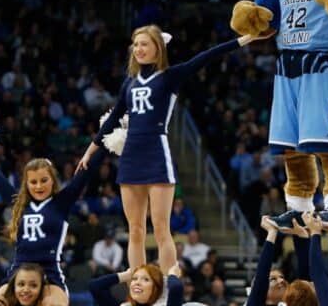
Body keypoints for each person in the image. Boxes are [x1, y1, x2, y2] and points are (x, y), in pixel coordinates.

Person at [77, 25, 272, 277]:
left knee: (161, 229)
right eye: (135, 45)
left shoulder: (170, 76)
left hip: (157, 154)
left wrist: (248, 39)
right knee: (135, 230)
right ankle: (137, 290)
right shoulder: (129, 83)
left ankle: (168, 288)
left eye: (144, 44)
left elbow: (208, 56)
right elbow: (113, 119)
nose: (138, 49)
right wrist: (90, 151)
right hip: (131, 158)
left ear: (158, 48)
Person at [0, 148, 105, 306]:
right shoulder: (18, 202)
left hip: (49, 274)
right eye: (33, 182)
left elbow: (87, 171)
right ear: (26, 184)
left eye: (44, 180)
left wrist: (105, 141)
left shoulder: (62, 202)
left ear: (53, 180)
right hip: (18, 275)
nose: (38, 186)